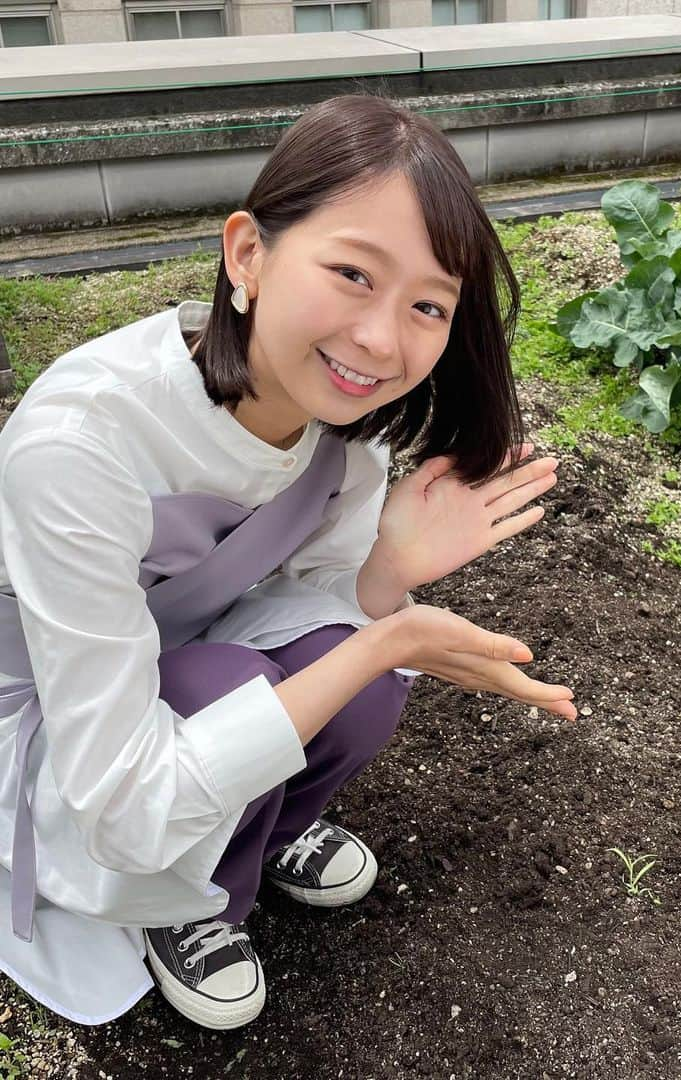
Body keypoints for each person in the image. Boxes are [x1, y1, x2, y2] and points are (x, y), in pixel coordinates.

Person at [0, 93, 576, 1031]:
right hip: (59, 728)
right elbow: (123, 802)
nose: (384, 340)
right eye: (353, 272)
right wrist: (383, 639)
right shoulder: (83, 438)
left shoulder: (339, 440)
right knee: (286, 675)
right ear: (248, 254)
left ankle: (256, 831)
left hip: (176, 663)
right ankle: (186, 901)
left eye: (428, 304)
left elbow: (307, 608)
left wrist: (388, 571)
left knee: (350, 679)